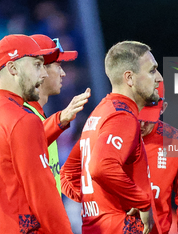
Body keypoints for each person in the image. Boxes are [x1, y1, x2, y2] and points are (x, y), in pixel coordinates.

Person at [0, 34, 73, 233]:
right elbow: (44, 197)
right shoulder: (22, 119)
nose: (43, 74)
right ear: (13, 69)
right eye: (36, 65)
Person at [60, 41, 163, 234]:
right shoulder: (122, 117)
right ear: (129, 78)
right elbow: (101, 166)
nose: (159, 78)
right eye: (152, 71)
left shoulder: (100, 113)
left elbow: (66, 174)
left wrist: (99, 201)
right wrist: (142, 202)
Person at [24, 34, 91, 195]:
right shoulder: (20, 114)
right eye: (58, 65)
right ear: (39, 69)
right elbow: (26, 143)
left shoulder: (38, 115)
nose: (63, 73)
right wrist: (60, 120)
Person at [138, 81, 178, 234]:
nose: (141, 123)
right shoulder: (109, 132)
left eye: (149, 115)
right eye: (138, 111)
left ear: (163, 108)